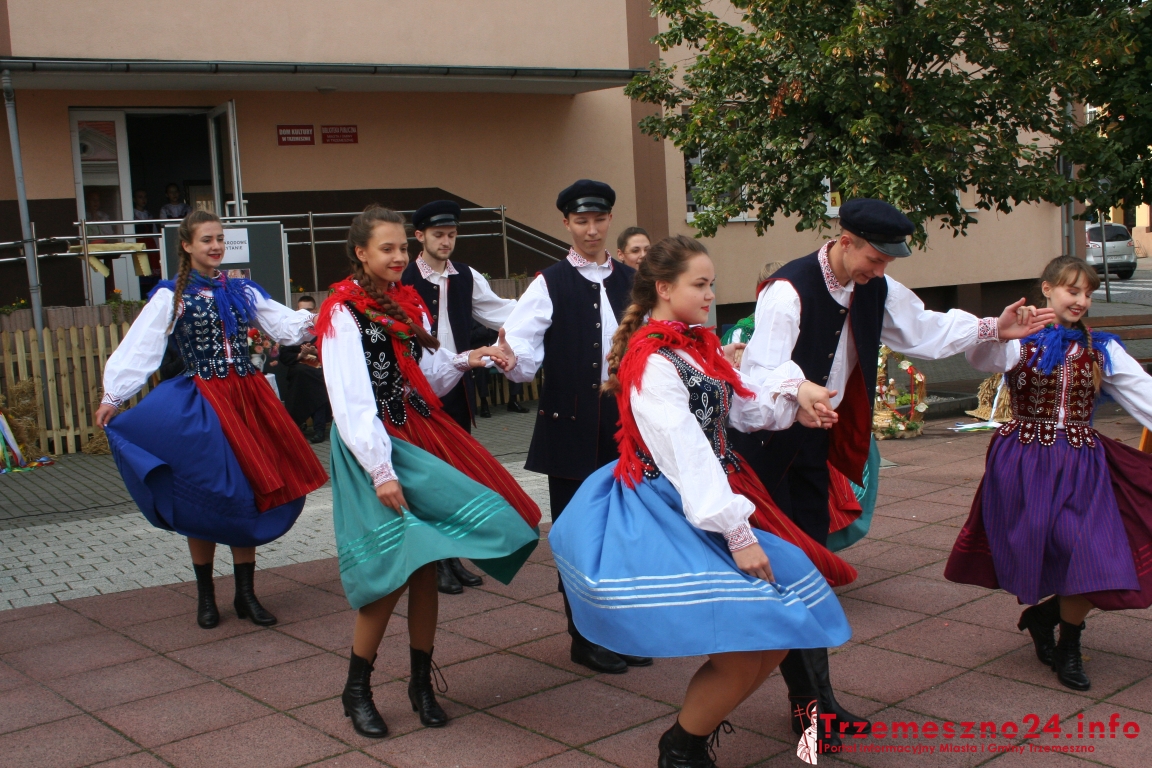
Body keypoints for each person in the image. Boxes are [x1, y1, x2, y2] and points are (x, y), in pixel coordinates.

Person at [733, 197, 1056, 747]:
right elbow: (761, 372)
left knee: (806, 574)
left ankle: (816, 703)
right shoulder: (788, 291)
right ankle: (797, 710)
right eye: (875, 258)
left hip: (812, 444)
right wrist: (797, 389)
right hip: (768, 446)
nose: (879, 270)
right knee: (785, 578)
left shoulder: (873, 286)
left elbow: (923, 329)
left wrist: (992, 328)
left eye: (886, 262)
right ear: (846, 241)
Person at [550, 235, 851, 768]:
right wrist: (737, 533)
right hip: (672, 505)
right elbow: (684, 450)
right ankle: (681, 748)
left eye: (712, 283)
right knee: (745, 646)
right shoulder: (652, 360)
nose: (711, 294)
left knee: (779, 633)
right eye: (701, 284)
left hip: (716, 488)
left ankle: (685, 743)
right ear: (664, 289)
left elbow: (738, 408)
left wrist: (793, 401)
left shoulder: (693, 345)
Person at [316, 204, 541, 738]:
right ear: (360, 253)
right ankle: (357, 688)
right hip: (374, 447)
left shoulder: (406, 303)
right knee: (391, 571)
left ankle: (421, 683)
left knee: (427, 565)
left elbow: (426, 376)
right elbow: (350, 401)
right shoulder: (341, 313)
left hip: (416, 432)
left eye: (401, 247)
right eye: (386, 248)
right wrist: (380, 470)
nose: (398, 257)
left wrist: (469, 358)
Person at [93, 210, 328, 630]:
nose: (216, 246)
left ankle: (245, 594)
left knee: (248, 491)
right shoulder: (172, 296)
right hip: (201, 401)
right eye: (207, 240)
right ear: (187, 246)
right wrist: (115, 394)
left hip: (247, 400)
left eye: (220, 238)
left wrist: (329, 316)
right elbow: (143, 345)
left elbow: (286, 325)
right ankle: (206, 596)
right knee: (203, 491)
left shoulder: (242, 290)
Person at [946, 256, 1152, 692]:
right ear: (1047, 289)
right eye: (1072, 290)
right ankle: (1046, 617)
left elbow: (1144, 394)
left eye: (1088, 294)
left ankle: (1066, 642)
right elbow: (981, 358)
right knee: (1054, 546)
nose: (1081, 300)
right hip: (1025, 459)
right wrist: (1001, 330)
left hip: (1081, 460)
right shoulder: (1022, 338)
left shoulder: (1101, 348)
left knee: (1087, 550)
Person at [497, 179, 654, 674]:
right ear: (566, 224)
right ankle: (583, 637)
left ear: (609, 220)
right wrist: (510, 359)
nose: (591, 230)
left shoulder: (633, 279)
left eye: (599, 220)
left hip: (626, 425)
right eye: (581, 221)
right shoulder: (549, 283)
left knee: (624, 530)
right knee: (578, 533)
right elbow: (522, 347)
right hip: (570, 426)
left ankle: (618, 629)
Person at [402, 200, 521, 594]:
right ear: (419, 236)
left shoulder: (466, 276)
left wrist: (545, 309)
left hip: (456, 385)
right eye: (438, 234)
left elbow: (500, 311)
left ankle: (452, 555)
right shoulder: (403, 278)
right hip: (415, 390)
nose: (446, 241)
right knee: (427, 477)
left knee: (456, 475)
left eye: (452, 234)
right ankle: (435, 561)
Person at [281, 295, 332, 444]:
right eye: (301, 311)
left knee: (317, 384)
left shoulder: (324, 328)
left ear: (315, 310)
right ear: (296, 310)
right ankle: (304, 426)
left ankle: (319, 428)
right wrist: (300, 355)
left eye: (309, 310)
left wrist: (318, 352)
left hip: (319, 371)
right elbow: (284, 356)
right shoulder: (291, 330)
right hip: (300, 373)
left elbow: (335, 352)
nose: (305, 314)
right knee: (302, 378)